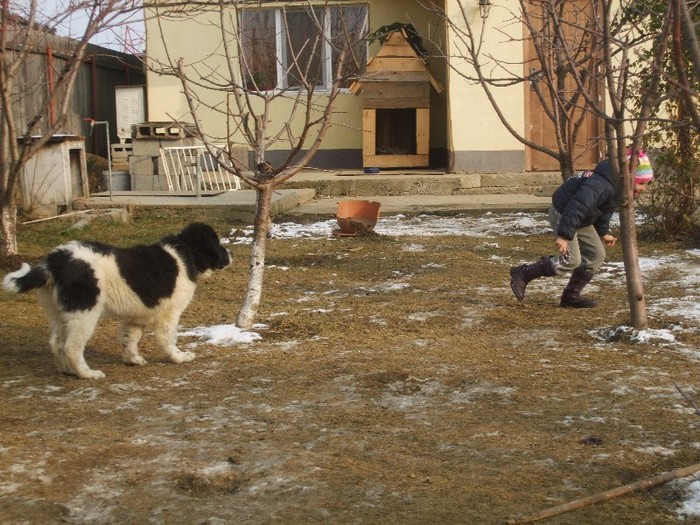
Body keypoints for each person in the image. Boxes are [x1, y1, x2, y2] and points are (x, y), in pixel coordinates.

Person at [509, 151, 654, 308]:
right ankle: (524, 273)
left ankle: (571, 296)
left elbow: (605, 210)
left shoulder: (617, 186)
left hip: (580, 218)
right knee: (571, 260)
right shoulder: (601, 185)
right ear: (629, 178)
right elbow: (577, 206)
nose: (644, 188)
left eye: (646, 184)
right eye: (641, 183)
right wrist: (564, 236)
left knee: (596, 254)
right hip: (563, 213)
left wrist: (603, 233)